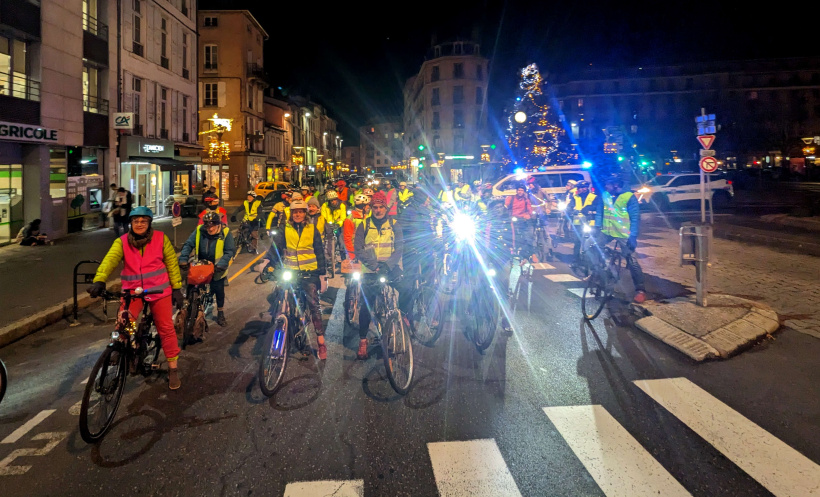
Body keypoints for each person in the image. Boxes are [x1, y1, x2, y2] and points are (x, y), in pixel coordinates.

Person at [88, 207, 184, 390]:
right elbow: (109, 260)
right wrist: (99, 280)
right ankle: (120, 346)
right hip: (133, 292)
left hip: (159, 292)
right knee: (124, 322)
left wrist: (177, 288)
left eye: (143, 221)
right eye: (135, 221)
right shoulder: (122, 242)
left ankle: (173, 368)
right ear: (130, 223)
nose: (139, 224)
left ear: (149, 224)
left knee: (165, 329)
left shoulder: (160, 239)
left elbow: (171, 263)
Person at [259, 200, 328, 359]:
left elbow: (319, 252)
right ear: (291, 213)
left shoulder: (312, 229)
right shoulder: (285, 228)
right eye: (295, 211)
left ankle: (321, 341)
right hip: (291, 272)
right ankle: (281, 338)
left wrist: (322, 275)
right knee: (282, 303)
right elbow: (276, 247)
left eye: (301, 211)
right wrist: (267, 261)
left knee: (313, 305)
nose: (298, 214)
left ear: (305, 213)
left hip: (309, 273)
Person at [353, 191, 409, 360]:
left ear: (386, 207)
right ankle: (363, 340)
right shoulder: (364, 224)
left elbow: (399, 248)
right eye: (375, 207)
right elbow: (359, 249)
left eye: (381, 207)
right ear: (371, 208)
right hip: (372, 271)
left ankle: (404, 317)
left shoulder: (394, 224)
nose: (378, 210)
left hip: (390, 268)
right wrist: (375, 266)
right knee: (366, 306)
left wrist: (388, 265)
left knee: (407, 289)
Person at [592, 175, 646, 303]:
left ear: (616, 184)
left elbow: (635, 218)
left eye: (608, 184)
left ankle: (640, 290)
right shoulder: (605, 195)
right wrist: (597, 226)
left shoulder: (629, 197)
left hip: (623, 234)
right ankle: (599, 272)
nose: (605, 187)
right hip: (607, 231)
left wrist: (633, 236)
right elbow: (600, 212)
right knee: (592, 247)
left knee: (631, 260)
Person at [179, 211, 236, 327]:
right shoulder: (199, 230)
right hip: (200, 265)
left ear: (218, 224)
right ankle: (188, 307)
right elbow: (188, 244)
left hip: (217, 268)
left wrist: (222, 263)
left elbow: (229, 251)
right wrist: (183, 258)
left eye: (213, 226)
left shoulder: (225, 232)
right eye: (207, 226)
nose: (210, 229)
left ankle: (220, 313)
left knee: (218, 289)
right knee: (191, 285)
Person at [504, 184, 537, 262]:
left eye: (522, 190)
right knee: (508, 235)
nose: (520, 192)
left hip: (523, 220)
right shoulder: (511, 198)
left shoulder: (526, 200)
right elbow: (505, 206)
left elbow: (529, 209)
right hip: (513, 219)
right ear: (516, 191)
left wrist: (530, 215)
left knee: (528, 237)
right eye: (519, 190)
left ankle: (532, 253)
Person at [569, 180, 597, 264]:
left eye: (580, 188)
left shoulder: (593, 197)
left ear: (585, 188)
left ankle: (594, 258)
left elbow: (596, 206)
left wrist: (590, 209)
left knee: (593, 241)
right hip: (578, 223)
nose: (578, 190)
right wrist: (570, 210)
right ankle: (576, 259)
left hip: (590, 222)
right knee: (577, 241)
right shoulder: (575, 197)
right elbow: (570, 206)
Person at [342, 193, 371, 261]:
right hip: (356, 252)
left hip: (367, 252)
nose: (368, 207)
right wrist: (352, 255)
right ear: (363, 206)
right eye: (367, 205)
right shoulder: (350, 219)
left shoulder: (367, 217)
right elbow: (347, 238)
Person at [320, 190, 347, 263]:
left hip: (338, 226)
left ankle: (344, 260)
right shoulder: (325, 206)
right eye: (331, 200)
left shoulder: (342, 206)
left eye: (334, 200)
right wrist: (327, 224)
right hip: (328, 226)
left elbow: (343, 217)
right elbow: (323, 216)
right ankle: (329, 261)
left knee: (341, 242)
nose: (333, 202)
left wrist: (339, 223)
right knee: (328, 243)